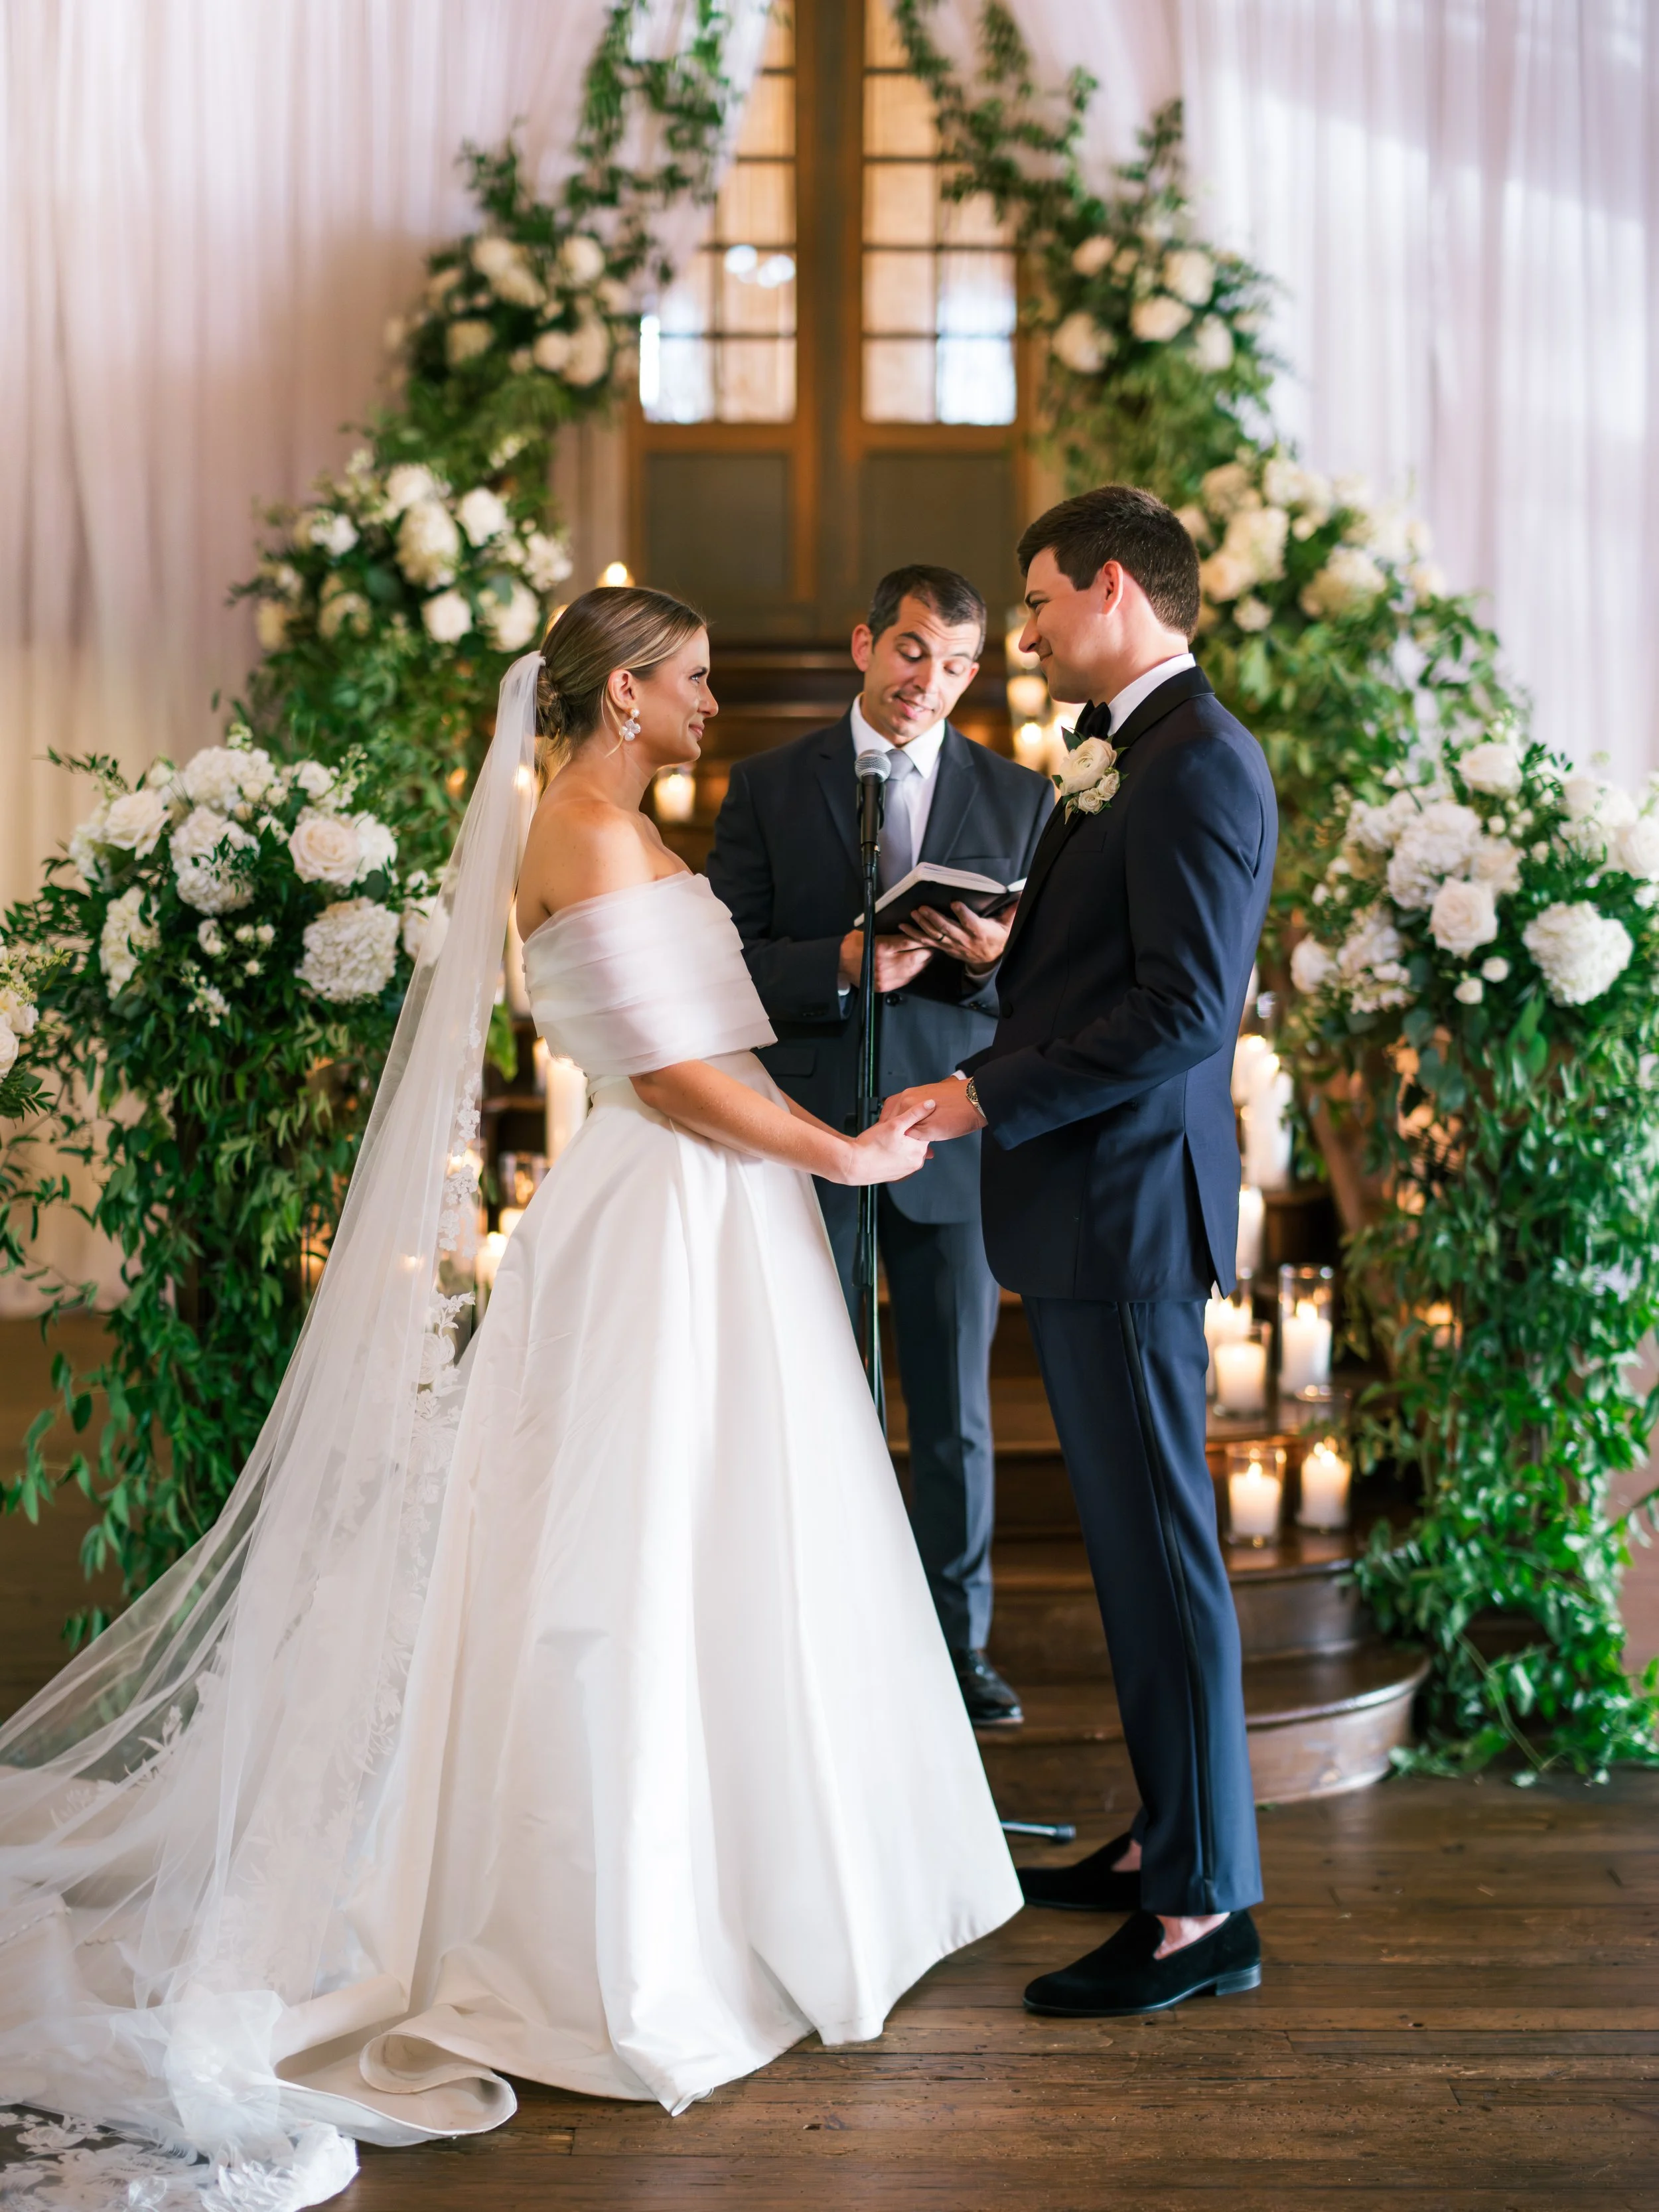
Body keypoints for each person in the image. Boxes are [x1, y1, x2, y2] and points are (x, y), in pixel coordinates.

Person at [0, 589, 1021, 2205]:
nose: (705, 703)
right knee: (632, 1556)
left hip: (711, 1211)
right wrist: (840, 1151)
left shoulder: (617, 820)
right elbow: (670, 1073)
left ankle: (774, 1865)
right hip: (663, 1212)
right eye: (686, 681)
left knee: (735, 1533)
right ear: (620, 695)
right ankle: (624, 1927)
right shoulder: (588, 835)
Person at [883, 486, 1276, 2019]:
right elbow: (1115, 970)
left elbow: (1186, 1013)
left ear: (1112, 588)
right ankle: (1168, 1844)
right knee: (1129, 1553)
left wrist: (982, 1086)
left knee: (1164, 1556)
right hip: (1092, 1204)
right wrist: (1012, 959)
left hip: (1123, 1211)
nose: (1027, 629)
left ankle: (1200, 1914)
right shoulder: (1139, 757)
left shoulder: (1194, 765)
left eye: (1038, 602)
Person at [707, 565, 1052, 1726]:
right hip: (813, 1131)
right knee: (824, 1401)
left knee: (953, 1413)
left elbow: (1056, 987)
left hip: (950, 1139)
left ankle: (959, 1652)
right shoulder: (764, 785)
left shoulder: (1022, 796)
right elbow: (718, 968)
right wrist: (838, 966)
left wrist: (1002, 962)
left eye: (958, 665)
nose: (930, 683)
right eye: (913, 652)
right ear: (866, 642)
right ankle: (830, 1642)